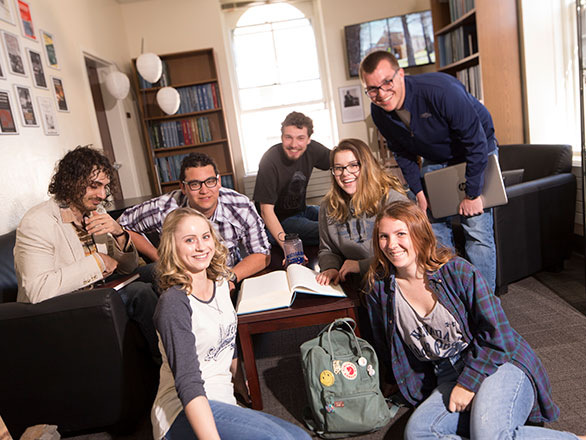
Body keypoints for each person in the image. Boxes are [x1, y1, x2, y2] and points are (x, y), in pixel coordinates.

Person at [365, 200, 585, 440]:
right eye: (383, 237)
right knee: (419, 434)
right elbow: (384, 341)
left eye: (400, 234)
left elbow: (499, 336)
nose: (391, 244)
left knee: (491, 436)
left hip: (497, 362)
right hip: (446, 374)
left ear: (419, 234)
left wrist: (468, 384)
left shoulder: (456, 271)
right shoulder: (381, 288)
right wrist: (389, 380)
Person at [151, 207, 311, 440]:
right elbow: (187, 383)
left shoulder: (221, 284)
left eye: (205, 237)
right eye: (189, 240)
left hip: (223, 401)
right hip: (184, 408)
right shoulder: (173, 303)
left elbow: (227, 338)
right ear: (172, 247)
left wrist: (238, 384)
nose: (200, 246)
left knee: (300, 438)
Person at [359, 50, 498, 291]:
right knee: (431, 227)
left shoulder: (441, 91)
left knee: (476, 230)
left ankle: (484, 304)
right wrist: (419, 192)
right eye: (372, 89)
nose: (381, 94)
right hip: (436, 157)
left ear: (400, 74)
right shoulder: (378, 112)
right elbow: (402, 152)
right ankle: (454, 293)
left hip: (475, 151)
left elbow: (476, 142)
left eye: (387, 83)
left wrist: (472, 194)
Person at [14, 145, 159, 360]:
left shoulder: (93, 213)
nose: (102, 195)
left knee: (161, 270)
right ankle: (165, 363)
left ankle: (194, 342)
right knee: (141, 292)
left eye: (105, 187)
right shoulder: (37, 222)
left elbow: (126, 268)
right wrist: (98, 262)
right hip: (68, 303)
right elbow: (37, 289)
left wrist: (119, 233)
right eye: (94, 186)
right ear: (71, 181)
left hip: (101, 287)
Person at [118, 152, 270, 293]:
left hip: (227, 276)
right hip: (182, 281)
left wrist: (231, 278)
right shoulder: (163, 208)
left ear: (219, 182)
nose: (204, 191)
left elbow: (262, 254)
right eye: (195, 184)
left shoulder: (240, 206)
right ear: (183, 187)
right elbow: (122, 224)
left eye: (210, 181)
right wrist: (160, 257)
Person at [316, 138, 407, 286]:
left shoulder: (394, 202)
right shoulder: (328, 206)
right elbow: (328, 250)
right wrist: (330, 267)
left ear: (366, 166)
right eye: (338, 168)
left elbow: (414, 251)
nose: (345, 174)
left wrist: (361, 266)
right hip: (355, 285)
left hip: (393, 282)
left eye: (353, 165)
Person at [253, 111, 330, 250]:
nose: (294, 144)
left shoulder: (312, 149)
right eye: (288, 137)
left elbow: (339, 160)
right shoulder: (269, 160)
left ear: (308, 139)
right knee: (328, 231)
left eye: (300, 138)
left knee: (339, 217)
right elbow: (266, 211)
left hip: (303, 210)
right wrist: (287, 247)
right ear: (282, 137)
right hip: (280, 221)